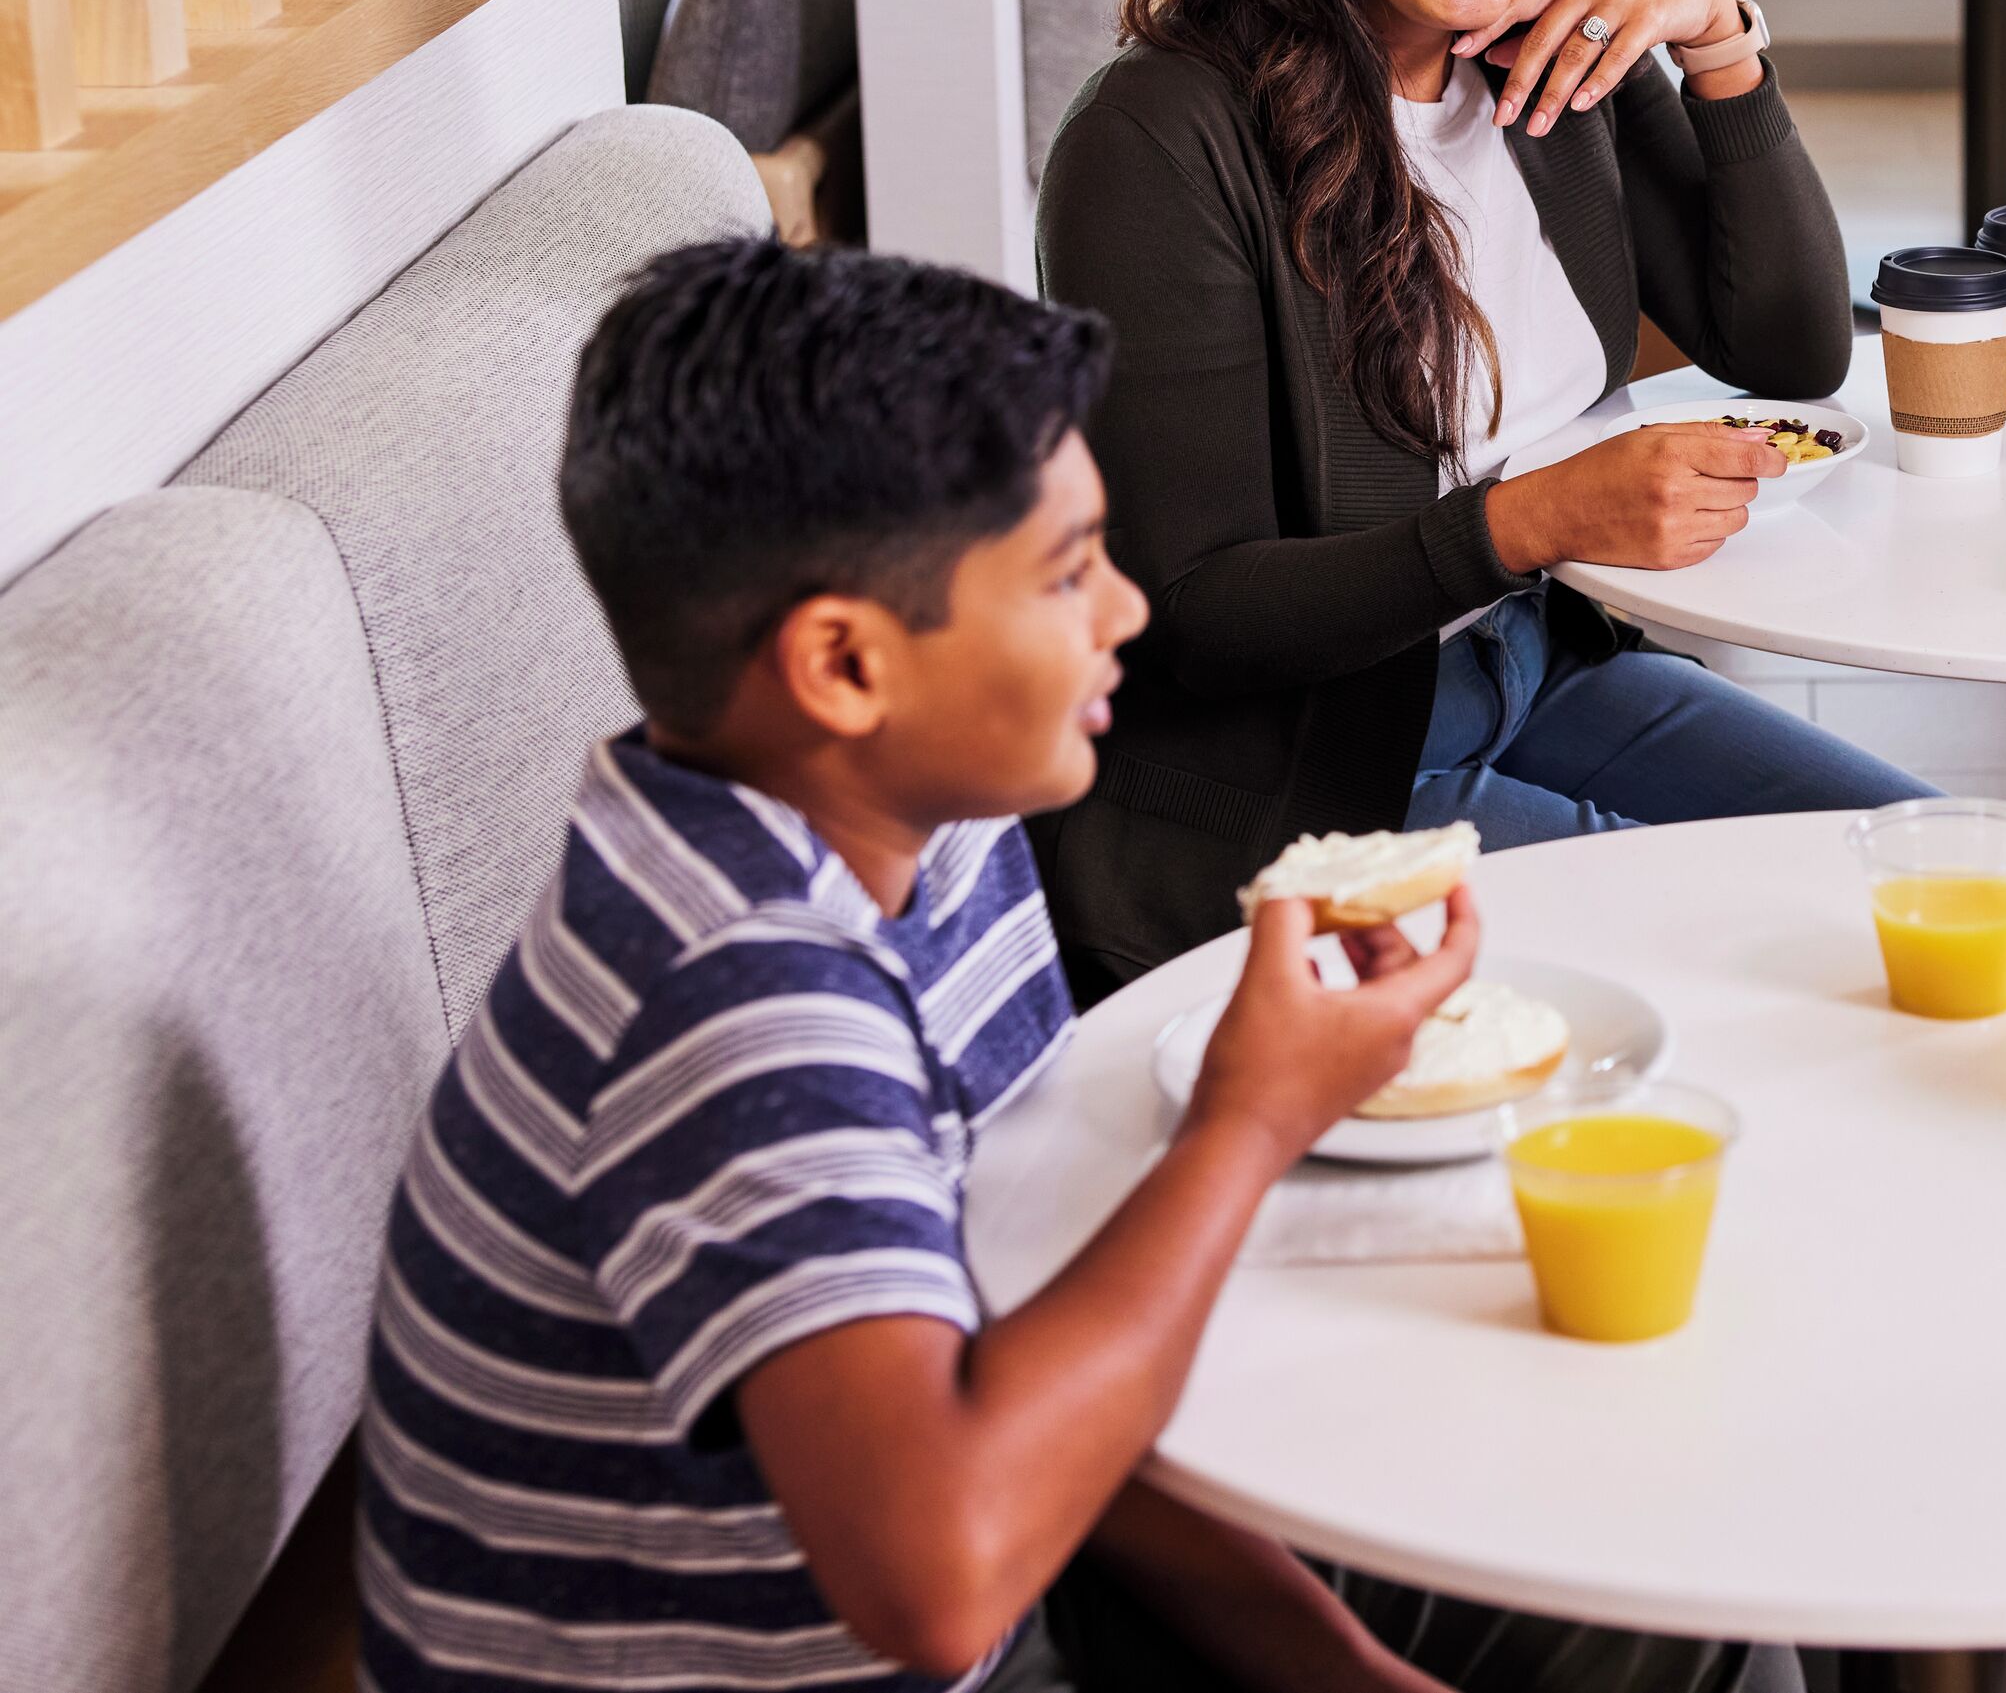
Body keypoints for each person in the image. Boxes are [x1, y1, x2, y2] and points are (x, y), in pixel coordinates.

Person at [353, 238, 1773, 1693]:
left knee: (1678, 1576)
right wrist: (1249, 1115)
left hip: (1014, 1554)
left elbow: (1021, 1345)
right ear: (844, 666)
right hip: (923, 1619)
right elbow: (945, 1579)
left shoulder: (924, 827)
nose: (1128, 613)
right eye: (1068, 573)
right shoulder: (737, 1004)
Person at [1037, 0, 1929, 999]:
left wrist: (1720, 44)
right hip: (1312, 778)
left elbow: (1793, 346)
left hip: (1545, 669)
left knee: (1933, 866)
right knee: (1796, 962)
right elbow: (1189, 610)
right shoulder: (1159, 138)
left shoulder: (1546, 46)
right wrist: (1525, 521)